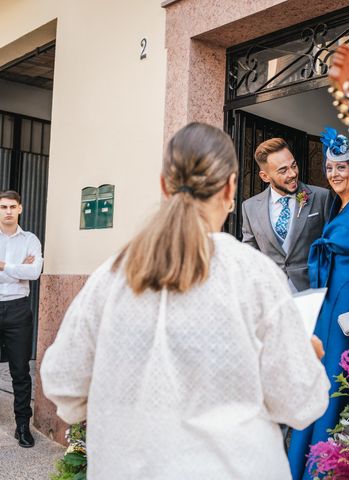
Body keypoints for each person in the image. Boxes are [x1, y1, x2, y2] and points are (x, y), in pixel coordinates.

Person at [41, 123, 330, 479]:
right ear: (229, 189)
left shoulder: (110, 277)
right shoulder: (254, 275)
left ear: (164, 186)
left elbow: (63, 386)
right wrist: (305, 356)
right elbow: (301, 404)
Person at [288, 128, 349, 480]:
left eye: (342, 167)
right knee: (318, 375)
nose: (334, 174)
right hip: (328, 298)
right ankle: (301, 463)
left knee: (335, 378)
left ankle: (321, 469)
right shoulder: (335, 204)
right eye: (329, 168)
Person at [241, 137, 332, 292]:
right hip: (272, 296)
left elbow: (332, 246)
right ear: (265, 177)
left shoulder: (322, 197)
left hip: (314, 291)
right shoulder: (250, 207)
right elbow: (250, 254)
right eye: (283, 170)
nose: (292, 174)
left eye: (293, 165)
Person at [0, 190, 43, 448]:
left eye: (11, 206)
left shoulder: (30, 240)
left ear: (20, 209)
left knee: (20, 370)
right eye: (3, 206)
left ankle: (23, 426)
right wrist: (19, 269)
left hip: (18, 309)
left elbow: (35, 271)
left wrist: (4, 266)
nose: (7, 211)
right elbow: (25, 270)